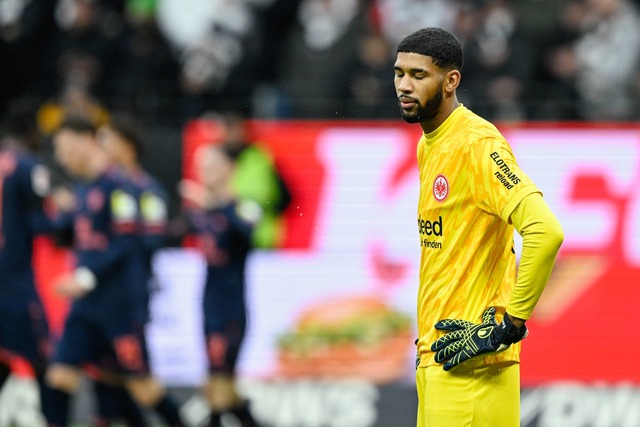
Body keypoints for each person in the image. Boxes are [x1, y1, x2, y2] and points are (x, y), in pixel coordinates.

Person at [393, 27, 564, 426]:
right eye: (399, 73)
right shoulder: (429, 143)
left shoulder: (477, 145)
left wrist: (508, 326)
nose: (404, 85)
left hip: (475, 365)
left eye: (419, 75)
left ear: (451, 81)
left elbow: (545, 231)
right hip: (439, 357)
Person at [43, 117, 184, 427]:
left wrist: (85, 277)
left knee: (141, 388)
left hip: (119, 305)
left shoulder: (125, 187)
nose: (61, 157)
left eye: (65, 148)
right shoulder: (83, 189)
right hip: (86, 307)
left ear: (85, 141)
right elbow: (75, 236)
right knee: (61, 376)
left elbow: (130, 242)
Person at [179, 144, 261, 427]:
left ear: (229, 169)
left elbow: (249, 235)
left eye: (212, 166)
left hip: (231, 310)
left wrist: (217, 205)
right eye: (202, 167)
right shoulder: (199, 211)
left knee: (217, 388)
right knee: (221, 387)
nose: (204, 173)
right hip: (207, 305)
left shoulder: (244, 208)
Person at [0, 110, 52, 409]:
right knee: (41, 355)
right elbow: (42, 224)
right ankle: (50, 417)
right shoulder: (28, 166)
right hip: (14, 279)